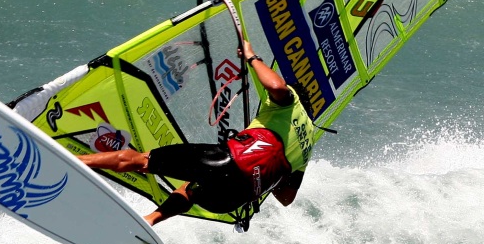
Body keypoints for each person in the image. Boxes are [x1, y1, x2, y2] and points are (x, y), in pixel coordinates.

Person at [76, 37, 317, 226]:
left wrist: (252, 57)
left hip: (230, 162)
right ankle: (149, 221)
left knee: (143, 160)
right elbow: (286, 199)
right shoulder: (308, 147)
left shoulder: (290, 101)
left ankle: (77, 161)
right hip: (231, 200)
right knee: (191, 189)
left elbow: (276, 86)